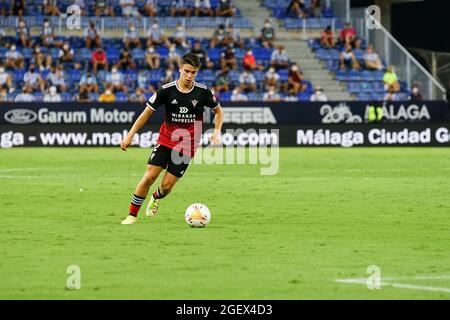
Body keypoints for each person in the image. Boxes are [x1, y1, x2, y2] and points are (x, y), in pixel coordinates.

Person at [119, 53, 223, 225]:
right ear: (180, 69)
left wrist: (217, 131)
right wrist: (130, 135)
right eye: (187, 71)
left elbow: (218, 111)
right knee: (149, 176)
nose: (189, 76)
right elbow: (146, 114)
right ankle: (132, 215)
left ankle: (156, 197)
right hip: (166, 140)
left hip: (187, 145)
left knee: (166, 187)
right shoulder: (166, 91)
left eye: (194, 72)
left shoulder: (203, 92)